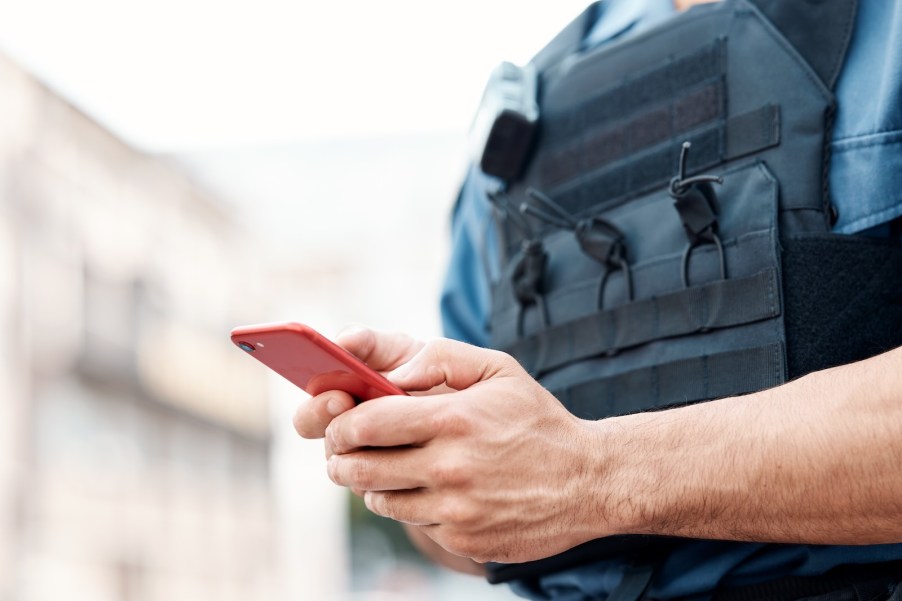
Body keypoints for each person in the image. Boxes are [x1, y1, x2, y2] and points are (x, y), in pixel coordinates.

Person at [295, 0, 902, 599]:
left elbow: (565, 475)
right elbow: (474, 543)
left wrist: (589, 476)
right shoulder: (523, 117)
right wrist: (424, 461)